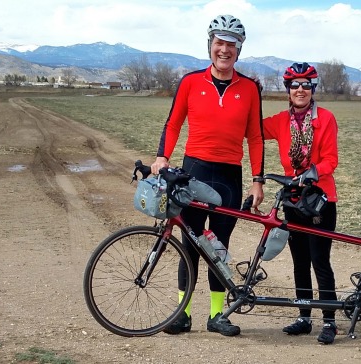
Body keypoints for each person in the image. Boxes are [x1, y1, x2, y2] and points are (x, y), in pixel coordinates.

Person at [150, 14, 265, 336]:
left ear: (239, 50)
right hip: (194, 171)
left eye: (231, 45)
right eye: (219, 43)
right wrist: (162, 157)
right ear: (210, 45)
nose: (224, 50)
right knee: (189, 244)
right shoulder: (190, 82)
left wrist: (257, 180)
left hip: (230, 175)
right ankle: (182, 314)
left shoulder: (251, 88)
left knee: (220, 248)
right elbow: (173, 123)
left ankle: (217, 315)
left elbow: (255, 137)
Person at [261, 62, 339, 344]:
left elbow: (331, 159)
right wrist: (250, 95)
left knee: (320, 260)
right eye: (295, 85)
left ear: (313, 88)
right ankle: (304, 317)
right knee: (299, 261)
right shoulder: (281, 121)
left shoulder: (325, 118)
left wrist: (311, 173)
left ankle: (329, 320)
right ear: (287, 90)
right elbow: (252, 127)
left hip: (320, 201)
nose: (300, 90)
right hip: (293, 201)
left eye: (306, 84)